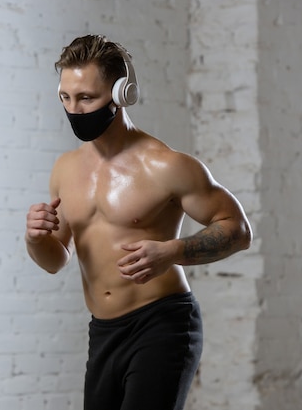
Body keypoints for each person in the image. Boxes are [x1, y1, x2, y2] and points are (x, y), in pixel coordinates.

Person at [25, 34, 252, 410]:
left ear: (121, 93)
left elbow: (238, 230)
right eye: (66, 98)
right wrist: (35, 239)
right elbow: (55, 260)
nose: (74, 110)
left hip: (162, 324)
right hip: (103, 332)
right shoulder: (65, 169)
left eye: (86, 98)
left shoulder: (165, 165)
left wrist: (173, 251)